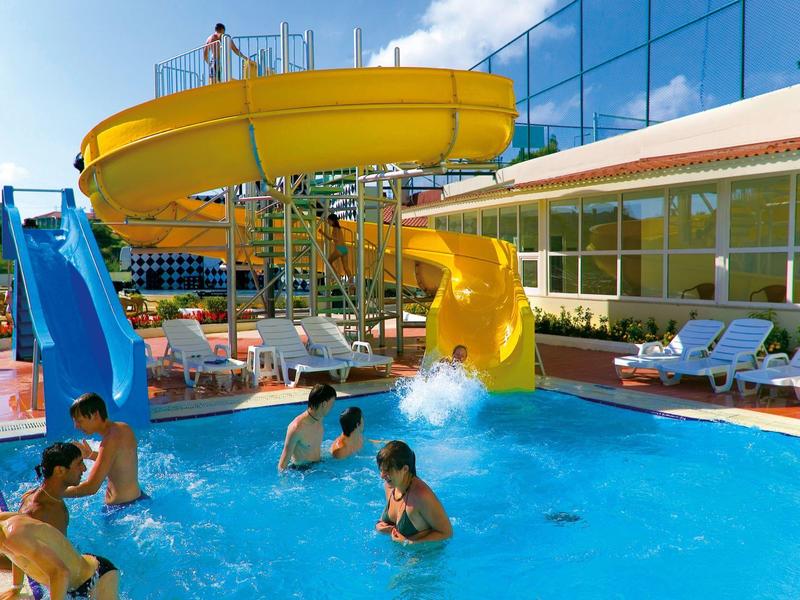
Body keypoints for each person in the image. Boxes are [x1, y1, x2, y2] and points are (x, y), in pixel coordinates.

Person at [0, 512, 119, 599]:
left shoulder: (14, 536)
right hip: (69, 585)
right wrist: (16, 587)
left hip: (95, 578)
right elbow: (18, 555)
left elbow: (60, 573)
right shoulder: (4, 528)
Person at [63, 393, 147, 509]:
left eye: (79, 420)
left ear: (95, 415)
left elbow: (91, 487)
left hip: (121, 509)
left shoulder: (109, 441)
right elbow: (118, 461)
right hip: (139, 498)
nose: (76, 426)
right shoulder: (124, 428)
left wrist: (56, 491)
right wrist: (91, 455)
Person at [375, 441, 452, 544]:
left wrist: (409, 543)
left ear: (405, 469)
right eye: (381, 470)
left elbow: (446, 533)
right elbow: (385, 520)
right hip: (400, 552)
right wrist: (380, 526)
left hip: (425, 553)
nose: (382, 476)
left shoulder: (421, 495)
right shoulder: (390, 486)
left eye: (388, 471)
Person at [19, 443, 86, 535]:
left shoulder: (48, 495)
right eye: (79, 464)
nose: (84, 469)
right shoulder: (46, 513)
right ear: (60, 470)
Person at [278, 384, 336, 471]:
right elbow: (282, 465)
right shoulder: (296, 428)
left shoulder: (319, 417)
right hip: (303, 471)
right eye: (331, 405)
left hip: (318, 465)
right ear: (324, 404)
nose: (332, 408)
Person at [317, 214, 353, 281]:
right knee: (346, 267)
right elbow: (331, 238)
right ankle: (351, 282)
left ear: (332, 221)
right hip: (344, 248)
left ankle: (336, 275)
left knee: (329, 261)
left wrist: (322, 233)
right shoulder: (339, 228)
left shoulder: (335, 229)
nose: (328, 222)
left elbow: (332, 238)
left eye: (329, 221)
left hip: (339, 248)